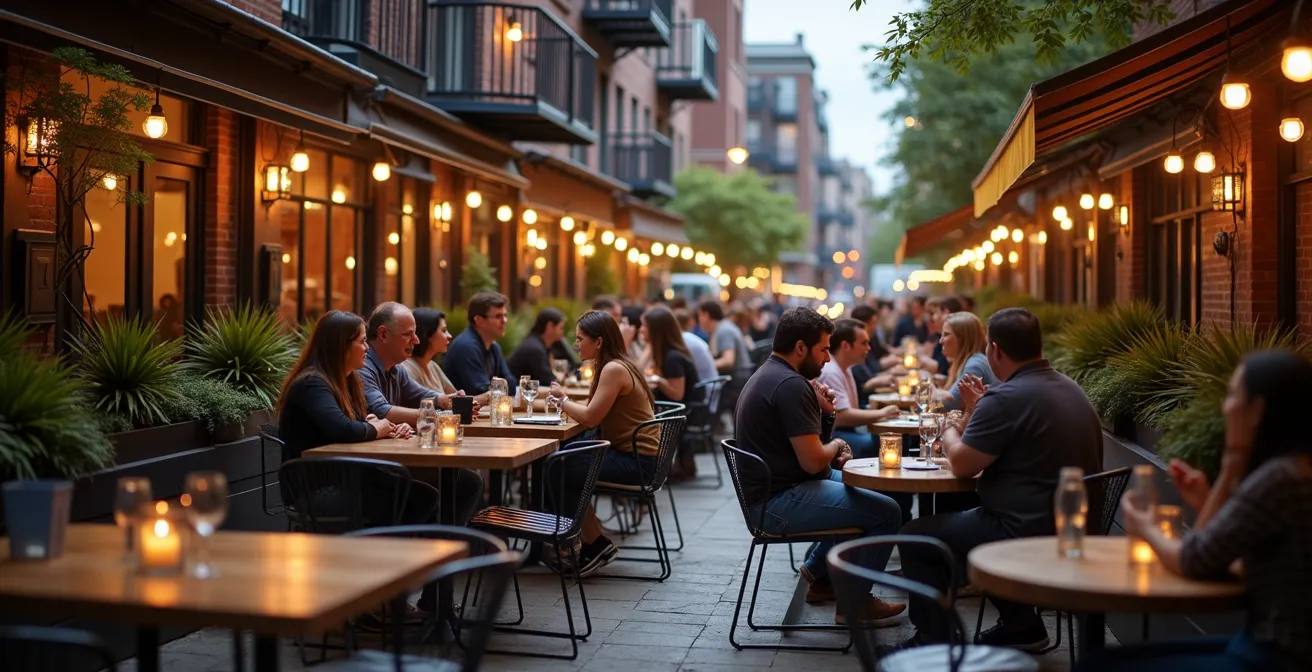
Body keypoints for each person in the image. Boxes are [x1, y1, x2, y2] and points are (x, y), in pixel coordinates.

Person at [1079, 351, 1312, 672]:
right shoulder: (1294, 470)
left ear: (1257, 411)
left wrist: (1145, 528)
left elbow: (1194, 559)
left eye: (1233, 395)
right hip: (1261, 646)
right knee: (1102, 661)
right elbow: (1217, 553)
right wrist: (1226, 474)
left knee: (1096, 667)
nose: (1225, 406)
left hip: (1276, 658)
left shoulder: (1279, 480)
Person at [890, 307, 1102, 653]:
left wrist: (947, 427)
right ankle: (1023, 626)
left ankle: (932, 642)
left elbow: (961, 464)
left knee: (916, 536)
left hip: (1021, 530)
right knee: (968, 519)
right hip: (1077, 529)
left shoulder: (1006, 397)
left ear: (996, 350)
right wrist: (978, 412)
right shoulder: (1071, 388)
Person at [735, 308, 906, 624]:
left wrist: (826, 415)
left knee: (866, 486)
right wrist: (837, 445)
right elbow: (813, 460)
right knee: (888, 512)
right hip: (777, 503)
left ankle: (829, 582)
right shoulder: (790, 385)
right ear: (801, 348)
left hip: (778, 492)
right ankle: (854, 602)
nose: (828, 358)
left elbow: (811, 459)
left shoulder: (772, 374)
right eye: (824, 349)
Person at [276, 310, 436, 524]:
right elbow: (344, 429)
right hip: (315, 488)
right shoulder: (312, 383)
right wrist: (378, 428)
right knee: (410, 497)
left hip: (345, 476)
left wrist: (389, 429)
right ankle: (386, 552)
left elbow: (361, 422)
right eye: (361, 341)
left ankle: (394, 551)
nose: (367, 347)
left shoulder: (347, 381)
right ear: (341, 346)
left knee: (422, 494)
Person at [545, 311, 660, 577]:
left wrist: (562, 400)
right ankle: (590, 541)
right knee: (562, 459)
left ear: (598, 342)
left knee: (557, 467)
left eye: (580, 338)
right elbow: (592, 413)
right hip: (637, 456)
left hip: (638, 462)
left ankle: (591, 543)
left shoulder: (613, 369)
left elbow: (589, 417)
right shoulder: (616, 364)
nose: (575, 345)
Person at [359, 302, 484, 526]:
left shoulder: (395, 369)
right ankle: (436, 545)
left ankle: (445, 545)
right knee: (457, 481)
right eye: (408, 335)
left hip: (390, 460)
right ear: (383, 334)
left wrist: (448, 400)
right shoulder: (363, 368)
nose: (416, 341)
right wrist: (433, 414)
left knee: (466, 480)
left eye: (415, 334)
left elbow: (424, 395)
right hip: (366, 469)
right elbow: (381, 410)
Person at [815, 318, 900, 459]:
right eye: (864, 343)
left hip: (846, 431)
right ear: (846, 346)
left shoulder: (845, 367)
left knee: (891, 437)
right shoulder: (831, 371)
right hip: (833, 437)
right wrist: (882, 413)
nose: (869, 348)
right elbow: (841, 417)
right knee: (884, 442)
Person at [645, 306, 704, 480]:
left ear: (656, 331)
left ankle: (651, 469)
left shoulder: (673, 358)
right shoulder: (669, 353)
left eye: (644, 326)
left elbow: (677, 395)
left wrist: (657, 380)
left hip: (686, 413)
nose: (640, 330)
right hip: (683, 411)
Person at [444, 292, 516, 396]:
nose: (504, 320)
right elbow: (480, 390)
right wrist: (500, 386)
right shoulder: (466, 347)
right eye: (498, 316)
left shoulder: (494, 347)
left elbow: (511, 384)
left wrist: (500, 387)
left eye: (505, 315)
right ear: (478, 320)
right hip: (463, 412)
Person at [936, 311, 997, 411]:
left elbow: (949, 405)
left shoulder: (974, 365)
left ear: (963, 338)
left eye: (946, 334)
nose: (941, 340)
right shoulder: (972, 360)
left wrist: (929, 391)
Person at [699, 300, 753, 410]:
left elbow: (728, 361)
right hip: (737, 380)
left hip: (735, 383)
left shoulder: (724, 330)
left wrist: (706, 365)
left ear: (706, 315)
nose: (698, 320)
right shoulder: (723, 328)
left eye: (699, 315)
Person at [508, 307, 567, 386]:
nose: (562, 333)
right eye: (561, 328)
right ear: (549, 327)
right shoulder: (534, 349)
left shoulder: (537, 344)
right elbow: (549, 381)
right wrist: (560, 379)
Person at [674, 307, 717, 384]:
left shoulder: (683, 339)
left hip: (704, 386)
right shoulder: (689, 337)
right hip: (711, 383)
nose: (695, 322)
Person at [922, 296, 963, 375]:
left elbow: (944, 369)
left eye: (933, 313)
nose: (930, 318)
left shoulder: (952, 339)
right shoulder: (938, 336)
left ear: (946, 313)